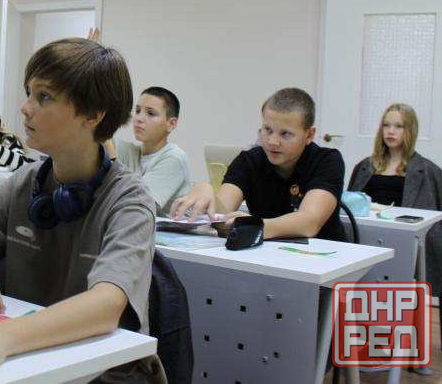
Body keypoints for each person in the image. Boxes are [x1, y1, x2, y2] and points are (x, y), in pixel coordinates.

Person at [0, 37, 164, 382]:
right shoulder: (26, 183)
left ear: (93, 114)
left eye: (44, 97)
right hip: (30, 361)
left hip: (102, 373)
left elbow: (105, 306)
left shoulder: (129, 199)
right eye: (29, 93)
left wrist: (1, 336)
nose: (25, 108)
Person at [172, 87, 346, 241]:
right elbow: (222, 215)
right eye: (267, 130)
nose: (272, 141)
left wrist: (251, 225)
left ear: (309, 135)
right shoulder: (249, 160)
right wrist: (205, 193)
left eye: (285, 134)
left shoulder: (326, 160)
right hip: (263, 255)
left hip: (325, 257)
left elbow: (308, 223)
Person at [348, 103, 442, 376]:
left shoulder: (428, 170)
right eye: (387, 125)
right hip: (366, 242)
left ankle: (402, 351)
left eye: (398, 126)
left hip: (406, 245)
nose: (391, 131)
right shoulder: (365, 166)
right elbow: (351, 206)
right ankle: (362, 346)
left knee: (407, 289)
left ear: (410, 130)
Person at [106, 87, 191, 215]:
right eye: (137, 111)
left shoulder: (175, 157)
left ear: (171, 124)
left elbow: (137, 204)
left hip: (165, 228)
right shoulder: (130, 151)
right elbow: (100, 141)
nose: (139, 119)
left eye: (150, 113)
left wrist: (112, 158)